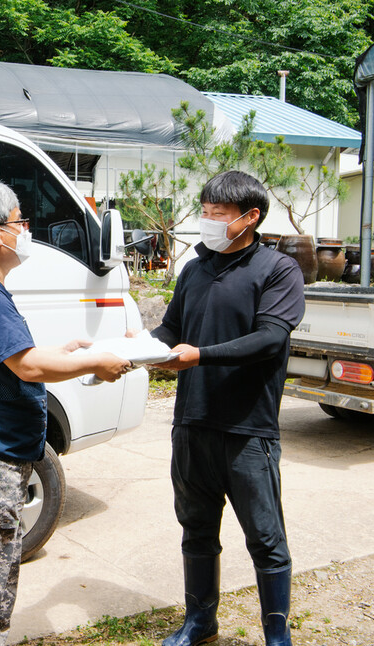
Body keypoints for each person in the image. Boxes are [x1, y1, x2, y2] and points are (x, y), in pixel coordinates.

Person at [0, 180, 132, 646]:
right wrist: (92, 361)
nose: (28, 229)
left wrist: (63, 350)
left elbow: (11, 356)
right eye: (21, 220)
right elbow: (27, 364)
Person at [149, 170, 305, 646]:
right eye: (205, 213)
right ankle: (200, 622)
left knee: (265, 539)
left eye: (218, 215)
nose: (207, 222)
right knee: (196, 529)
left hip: (247, 431)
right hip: (191, 425)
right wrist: (128, 352)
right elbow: (169, 331)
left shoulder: (278, 270)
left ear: (249, 217)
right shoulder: (194, 270)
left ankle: (276, 636)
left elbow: (269, 337)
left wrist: (200, 355)